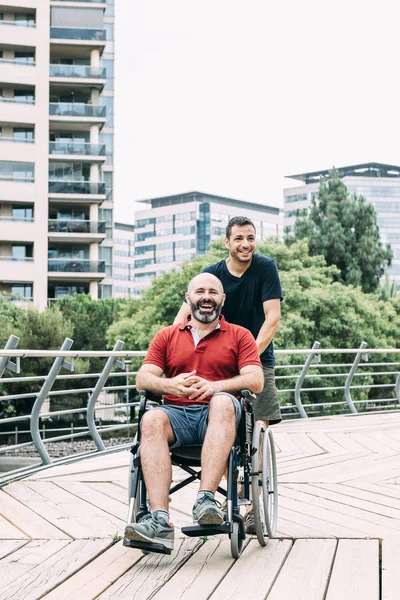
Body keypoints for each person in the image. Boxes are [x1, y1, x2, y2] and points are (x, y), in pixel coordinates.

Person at [124, 272, 263, 551]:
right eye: (200, 292)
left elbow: (256, 380)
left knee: (223, 401)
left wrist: (215, 387)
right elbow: (143, 378)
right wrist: (170, 385)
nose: (206, 297)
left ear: (223, 299)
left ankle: (206, 500)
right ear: (189, 299)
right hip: (179, 416)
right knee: (150, 419)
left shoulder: (240, 335)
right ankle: (160, 520)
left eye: (213, 292)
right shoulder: (166, 336)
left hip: (221, 418)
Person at [174, 216, 283, 533]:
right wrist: (169, 345)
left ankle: (251, 504)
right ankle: (234, 495)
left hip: (256, 360)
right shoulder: (214, 276)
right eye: (239, 238)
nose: (246, 244)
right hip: (217, 362)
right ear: (227, 242)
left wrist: (247, 355)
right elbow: (185, 315)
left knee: (255, 434)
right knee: (223, 429)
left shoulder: (265, 268)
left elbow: (272, 318)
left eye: (251, 237)